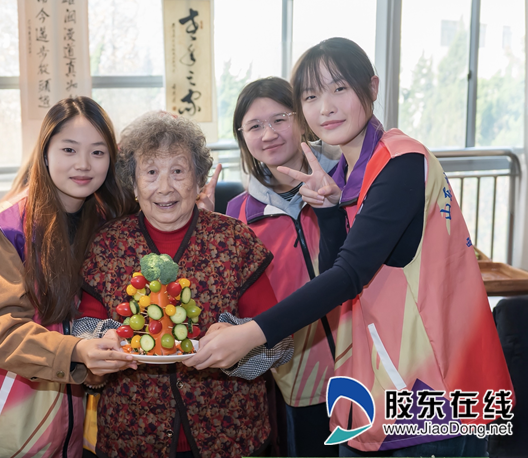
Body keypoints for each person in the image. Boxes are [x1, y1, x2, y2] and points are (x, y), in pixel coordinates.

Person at [185, 38, 514, 457]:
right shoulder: (347, 173)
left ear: (372, 88)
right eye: (311, 96)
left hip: (434, 392)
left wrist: (252, 334)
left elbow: (349, 275)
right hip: (375, 389)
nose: (326, 107)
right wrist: (328, 210)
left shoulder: (401, 162)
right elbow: (337, 273)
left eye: (339, 88)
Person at [77, 111, 293, 458]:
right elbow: (83, 328)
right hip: (132, 437)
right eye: (151, 173)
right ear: (133, 184)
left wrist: (238, 347)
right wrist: (99, 347)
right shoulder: (108, 244)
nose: (165, 187)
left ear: (198, 181)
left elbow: (279, 341)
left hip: (230, 434)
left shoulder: (233, 239)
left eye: (178, 171)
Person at [0, 96, 137, 458]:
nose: (83, 164)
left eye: (98, 152)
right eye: (69, 150)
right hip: (6, 413)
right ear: (45, 153)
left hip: (72, 411)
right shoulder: (7, 226)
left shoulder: (105, 219)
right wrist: (76, 351)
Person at [225, 76, 341, 457]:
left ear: (302, 120)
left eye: (279, 119)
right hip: (302, 379)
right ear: (243, 138)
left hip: (371, 366)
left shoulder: (345, 181)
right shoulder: (239, 213)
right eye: (255, 126)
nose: (269, 134)